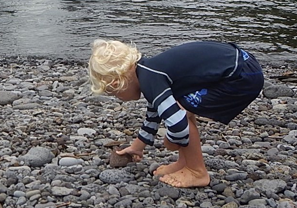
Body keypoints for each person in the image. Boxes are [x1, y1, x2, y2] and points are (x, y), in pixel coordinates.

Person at [88, 40, 264, 188]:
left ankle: (197, 172)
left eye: (113, 93)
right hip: (242, 65)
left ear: (119, 82)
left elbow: (179, 124)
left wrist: (172, 141)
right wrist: (137, 146)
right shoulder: (149, 71)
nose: (117, 98)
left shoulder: (151, 78)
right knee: (182, 104)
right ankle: (185, 163)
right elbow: (154, 113)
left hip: (240, 77)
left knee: (182, 112)